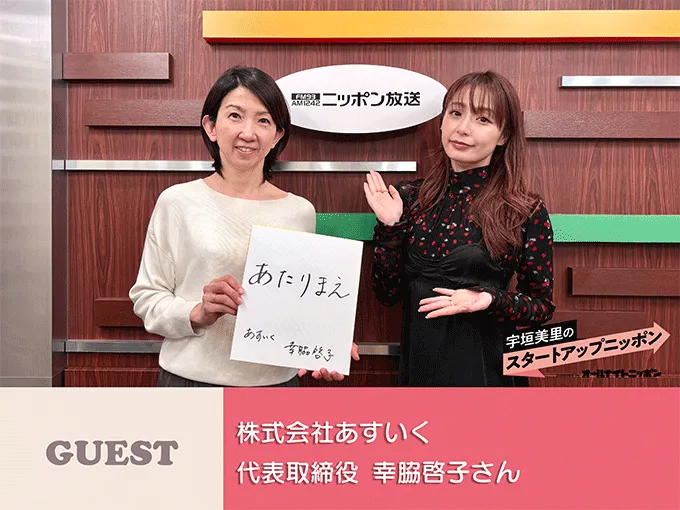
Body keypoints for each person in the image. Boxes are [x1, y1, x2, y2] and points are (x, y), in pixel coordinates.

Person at [130, 66, 358, 387]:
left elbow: (304, 304)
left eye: (263, 121)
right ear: (211, 126)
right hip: (190, 380)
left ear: (277, 135)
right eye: (235, 116)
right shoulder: (177, 202)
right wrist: (198, 312)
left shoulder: (299, 212)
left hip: (275, 385)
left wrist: (325, 346)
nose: (248, 133)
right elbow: (147, 298)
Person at [364, 71, 555, 387]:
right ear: (442, 122)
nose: (462, 128)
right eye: (455, 113)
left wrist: (488, 299)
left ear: (504, 135)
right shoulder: (409, 198)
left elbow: (541, 306)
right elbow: (386, 294)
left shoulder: (524, 209)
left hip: (487, 372)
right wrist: (390, 227)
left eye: (482, 119)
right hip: (421, 369)